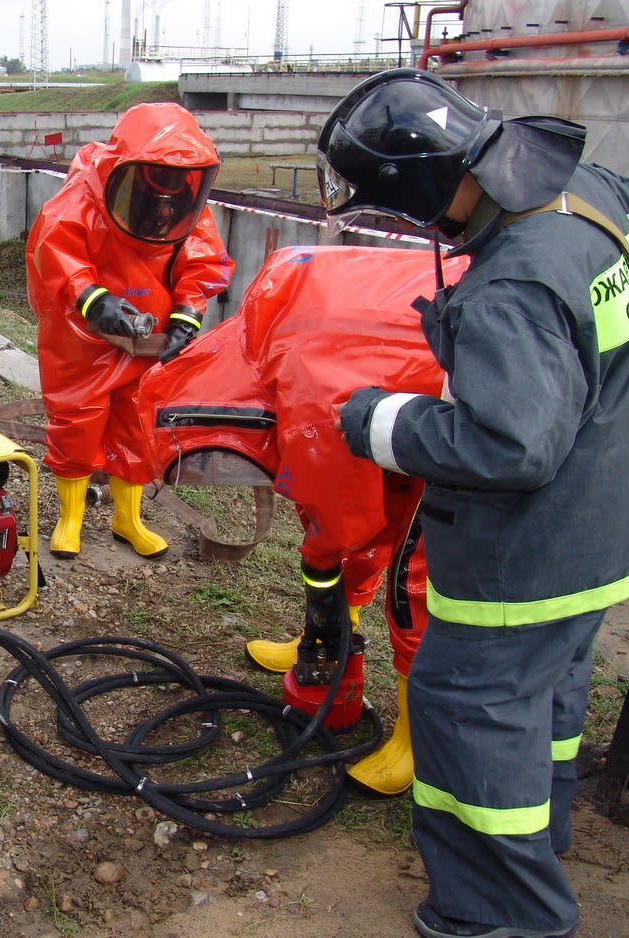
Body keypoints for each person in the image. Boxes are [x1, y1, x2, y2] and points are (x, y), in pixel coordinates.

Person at [319, 67, 629, 938]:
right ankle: (540, 828)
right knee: (546, 688)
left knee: (465, 706)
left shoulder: (512, 286)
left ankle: (502, 912)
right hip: (623, 516)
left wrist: (377, 420)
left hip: (536, 553)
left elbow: (508, 446)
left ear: (422, 190)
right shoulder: (592, 191)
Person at [138, 244, 469, 796]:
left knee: (411, 585)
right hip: (404, 391)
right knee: (364, 526)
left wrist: (317, 559)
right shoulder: (272, 318)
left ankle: (416, 743)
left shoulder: (308, 404)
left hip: (457, 417)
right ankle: (326, 641)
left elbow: (341, 524)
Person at [26, 102, 234, 560]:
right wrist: (95, 301)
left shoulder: (186, 204)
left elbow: (202, 263)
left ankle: (129, 519)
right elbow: (57, 248)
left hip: (149, 337)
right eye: (157, 176)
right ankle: (70, 519)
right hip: (83, 338)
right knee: (76, 421)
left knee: (137, 427)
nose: (164, 194)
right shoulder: (85, 193)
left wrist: (185, 320)